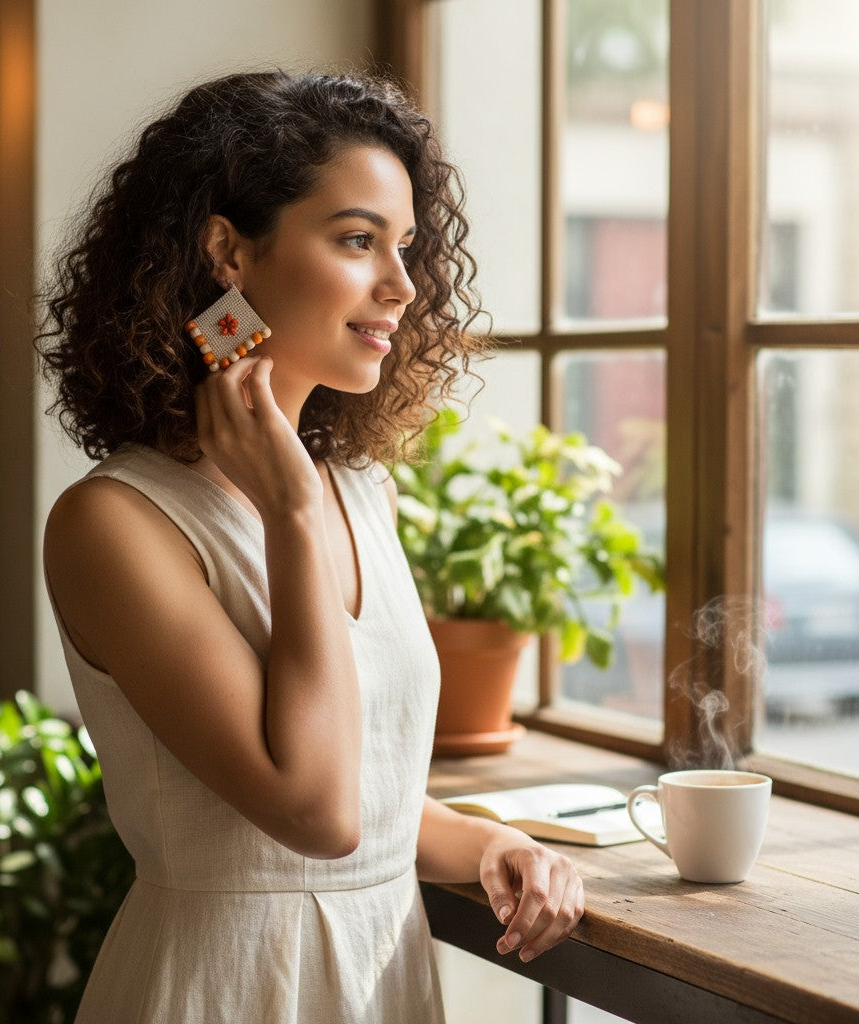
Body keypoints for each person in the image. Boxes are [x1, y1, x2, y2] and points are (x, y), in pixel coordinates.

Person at [38, 69, 583, 1024]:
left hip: (383, 980)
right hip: (223, 989)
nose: (402, 286)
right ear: (228, 254)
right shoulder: (115, 525)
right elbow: (316, 811)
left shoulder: (363, 494)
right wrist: (288, 503)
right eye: (357, 240)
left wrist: (485, 842)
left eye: (405, 246)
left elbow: (363, 788)